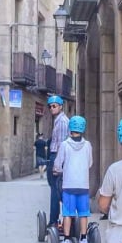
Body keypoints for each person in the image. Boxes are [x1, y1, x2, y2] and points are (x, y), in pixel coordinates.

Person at [52, 115, 93, 243]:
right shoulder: (87, 145)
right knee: (83, 214)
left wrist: (57, 169)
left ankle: (67, 239)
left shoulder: (65, 145)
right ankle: (84, 239)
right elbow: (90, 163)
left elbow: (58, 163)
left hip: (69, 185)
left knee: (68, 213)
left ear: (70, 129)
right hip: (83, 185)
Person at [45, 95, 68, 229]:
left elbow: (62, 145)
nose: (51, 108)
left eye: (54, 106)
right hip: (54, 156)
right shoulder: (58, 121)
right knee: (55, 189)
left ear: (60, 106)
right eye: (50, 106)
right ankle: (56, 219)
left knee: (56, 190)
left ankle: (54, 220)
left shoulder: (63, 122)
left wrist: (57, 165)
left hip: (57, 157)